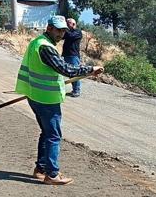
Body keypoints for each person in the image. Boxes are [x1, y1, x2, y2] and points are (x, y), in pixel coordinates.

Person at [15, 15, 103, 186]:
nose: (61, 34)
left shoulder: (37, 42)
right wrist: (90, 69)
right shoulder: (45, 47)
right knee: (54, 136)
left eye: (63, 31)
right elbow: (65, 69)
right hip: (46, 99)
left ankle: (40, 169)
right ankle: (52, 174)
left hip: (35, 95)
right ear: (49, 28)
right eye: (58, 30)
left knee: (46, 133)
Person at [62, 18, 84, 97]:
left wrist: (65, 29)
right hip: (66, 55)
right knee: (70, 74)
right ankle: (74, 89)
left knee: (75, 73)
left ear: (73, 24)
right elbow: (61, 36)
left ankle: (77, 90)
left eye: (68, 23)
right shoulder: (67, 32)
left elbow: (70, 36)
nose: (66, 25)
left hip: (73, 56)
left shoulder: (78, 32)